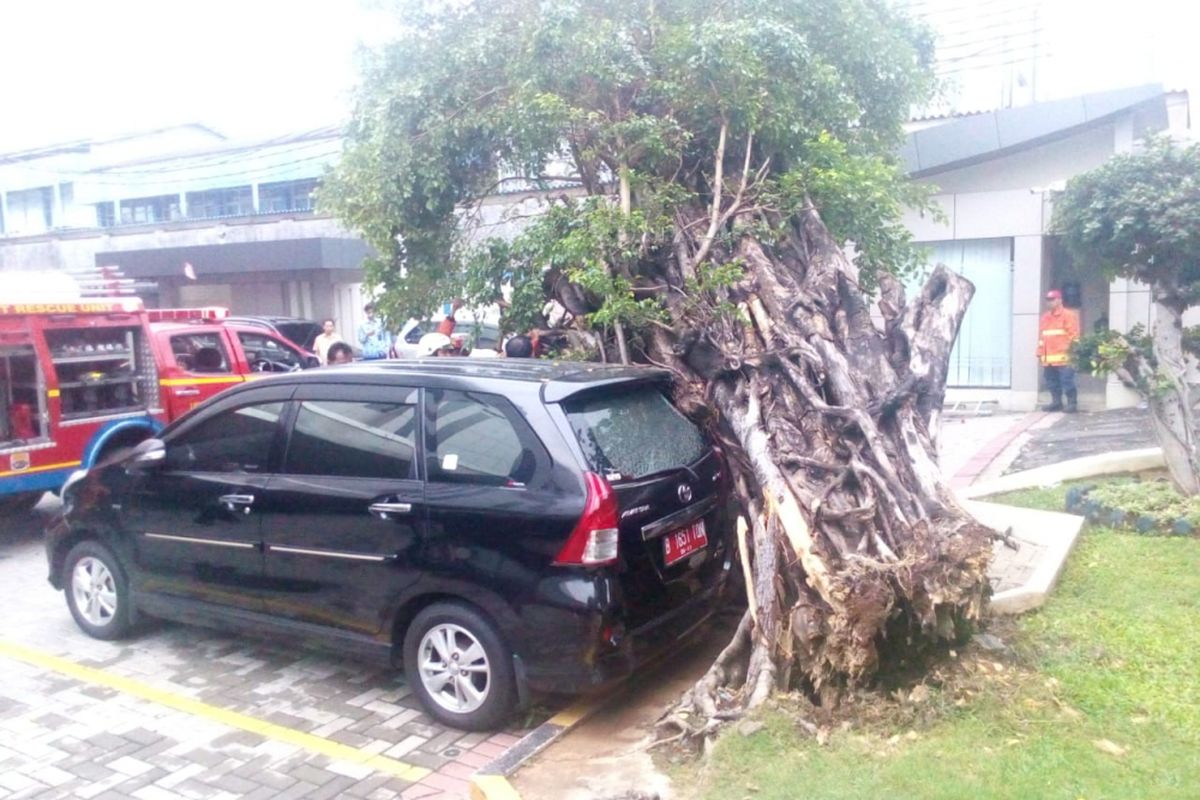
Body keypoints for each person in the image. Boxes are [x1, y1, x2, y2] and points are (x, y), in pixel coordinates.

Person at [1037, 288, 1081, 413]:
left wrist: (1073, 353)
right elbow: (1042, 337)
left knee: (1067, 381)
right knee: (1052, 382)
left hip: (1065, 358)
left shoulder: (1068, 315)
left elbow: (1074, 336)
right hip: (1048, 359)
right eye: (1048, 300)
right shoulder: (1045, 318)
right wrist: (1039, 353)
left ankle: (1072, 404)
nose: (1049, 302)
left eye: (1052, 299)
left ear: (1059, 300)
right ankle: (1056, 403)